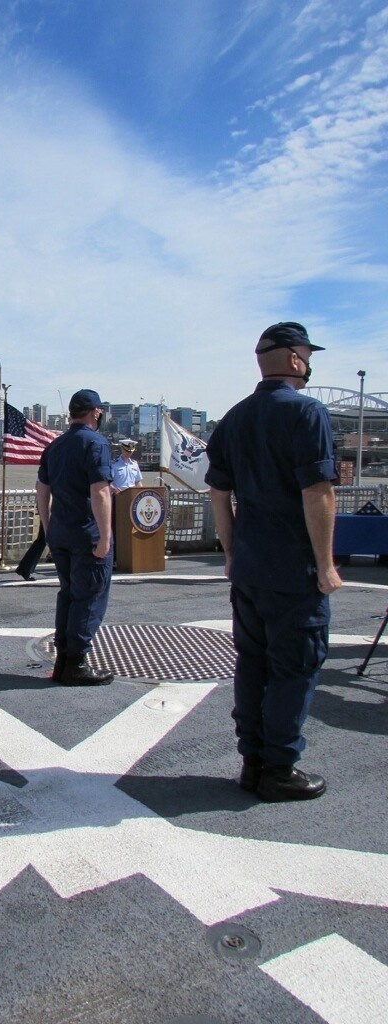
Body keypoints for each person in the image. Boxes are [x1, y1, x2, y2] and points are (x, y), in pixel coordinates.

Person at [205, 321, 342, 803]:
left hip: (249, 567)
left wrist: (230, 553)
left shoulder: (233, 419)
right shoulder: (308, 413)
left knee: (253, 662)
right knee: (295, 666)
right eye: (306, 353)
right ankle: (279, 768)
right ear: (294, 359)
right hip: (293, 568)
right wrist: (325, 565)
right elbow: (318, 493)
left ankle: (252, 761)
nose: (308, 361)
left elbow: (219, 494)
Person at [36, 389, 114, 685]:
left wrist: (47, 525)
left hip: (60, 533)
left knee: (68, 594)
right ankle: (76, 663)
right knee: (90, 596)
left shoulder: (55, 446)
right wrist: (105, 536)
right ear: (95, 412)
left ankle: (63, 661)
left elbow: (42, 489)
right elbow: (100, 491)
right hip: (86, 534)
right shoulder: (95, 443)